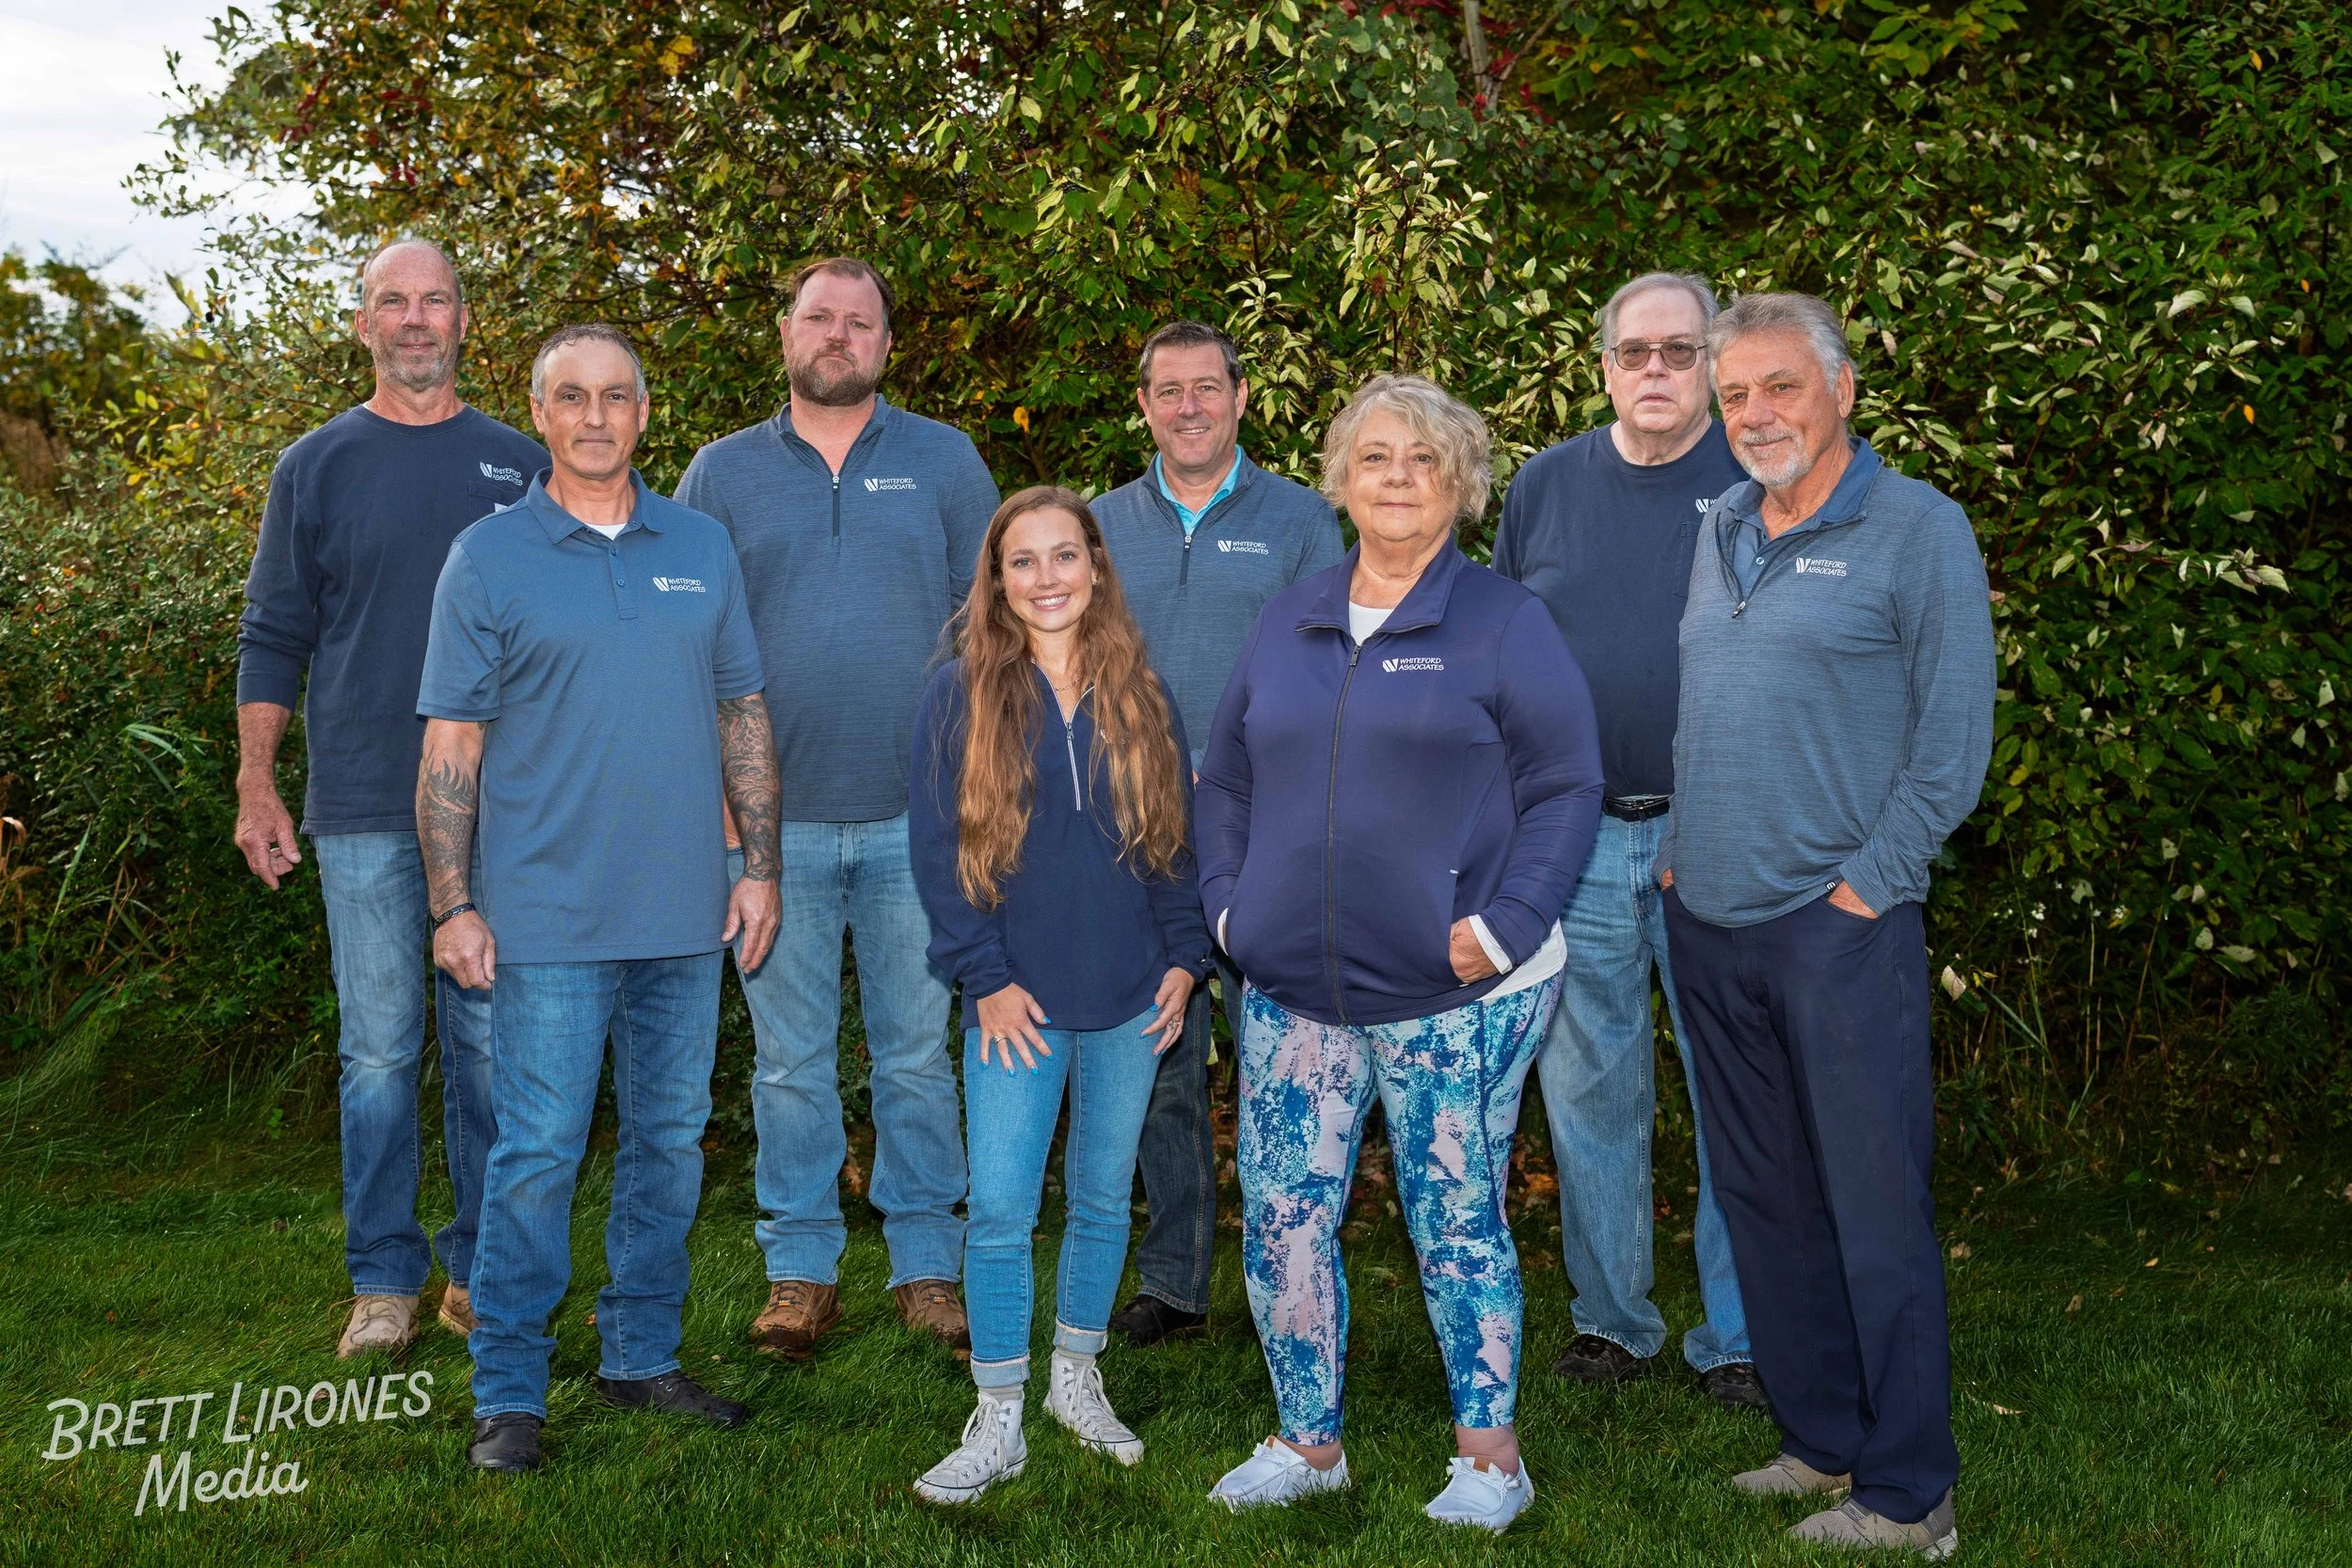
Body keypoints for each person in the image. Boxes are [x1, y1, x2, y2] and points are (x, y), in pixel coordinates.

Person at [1196, 374, 1603, 1532]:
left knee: (1454, 1213)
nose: (1396, 479)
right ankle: (1306, 1440)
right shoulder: (1293, 612)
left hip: (1453, 989)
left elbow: (1567, 784)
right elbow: (1224, 773)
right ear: (1338, 477)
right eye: (1374, 457)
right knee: (1281, 1212)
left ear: (1462, 485)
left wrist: (1504, 924)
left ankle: (1490, 1458)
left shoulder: (1503, 622)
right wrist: (1226, 909)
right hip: (1292, 991)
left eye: (1424, 461)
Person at [1660, 291, 1993, 1559]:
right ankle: (1820, 1434)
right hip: (1714, 922)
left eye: (1778, 387)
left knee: (1872, 1204)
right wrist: (1685, 863)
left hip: (1836, 927)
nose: (1754, 414)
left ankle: (1911, 1491)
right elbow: (1710, 707)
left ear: (1843, 390)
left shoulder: (1917, 530)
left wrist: (1870, 881)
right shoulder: (1724, 526)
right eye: (1734, 393)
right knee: (1764, 1196)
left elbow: (1953, 744)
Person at [416, 325, 780, 1472]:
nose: (594, 415)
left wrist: (759, 865)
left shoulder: (702, 544)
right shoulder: (488, 555)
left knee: (670, 1144)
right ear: (540, 412)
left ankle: (639, 1354)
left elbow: (742, 715)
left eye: (615, 395)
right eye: (571, 396)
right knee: (536, 1154)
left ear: (643, 411)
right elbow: (452, 743)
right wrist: (450, 902)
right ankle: (510, 1390)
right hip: (544, 922)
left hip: (685, 913)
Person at [675, 257, 1000, 1359]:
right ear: (784, 333)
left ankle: (926, 1266)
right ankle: (800, 1269)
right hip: (774, 831)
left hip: (921, 822)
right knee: (787, 1062)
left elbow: (990, 631)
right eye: (820, 316)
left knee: (917, 1053)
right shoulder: (719, 474)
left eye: (861, 321)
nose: (838, 335)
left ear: (887, 345)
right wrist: (718, 806)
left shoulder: (945, 461)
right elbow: (686, 646)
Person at [233, 238, 544, 1358]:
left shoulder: (522, 463)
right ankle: (382, 1277)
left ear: (466, 320)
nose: (415, 319)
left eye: (435, 300)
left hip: (501, 810)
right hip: (363, 804)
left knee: (488, 1047)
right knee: (376, 1050)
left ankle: (479, 1264)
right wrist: (257, 781)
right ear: (362, 324)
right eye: (391, 302)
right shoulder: (313, 466)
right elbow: (274, 632)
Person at [903, 486, 1212, 1501]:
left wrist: (1183, 958)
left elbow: (1174, 844)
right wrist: (983, 978)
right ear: (995, 580)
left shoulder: (1141, 691)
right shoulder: (959, 693)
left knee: (1097, 1197)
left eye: (1064, 556)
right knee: (997, 1205)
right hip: (1016, 1002)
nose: (1046, 578)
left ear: (1096, 568)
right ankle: (997, 1408)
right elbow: (939, 856)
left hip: (1130, 994)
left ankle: (1074, 1373)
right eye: (1022, 560)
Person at [1490, 272, 1761, 1410]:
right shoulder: (1544, 486)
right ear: (1600, 364)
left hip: (1722, 834)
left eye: (1680, 352)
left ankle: (1743, 1333)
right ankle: (1612, 1320)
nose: (1656, 371)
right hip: (1574, 836)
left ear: (1710, 364)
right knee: (1590, 1089)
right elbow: (1497, 653)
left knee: (1734, 1088)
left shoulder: (1758, 483)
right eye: (1634, 352)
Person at [1089, 321, 1345, 1346]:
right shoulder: (1101, 522)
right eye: (1168, 390)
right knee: (1161, 1061)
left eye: (1208, 388)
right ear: (1144, 404)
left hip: (1266, 828)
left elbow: (1328, 662)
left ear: (1242, 398)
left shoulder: (1299, 520)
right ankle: (1176, 1282)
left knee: (1285, 1061)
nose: (1188, 405)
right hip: (1137, 831)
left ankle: (1294, 1277)